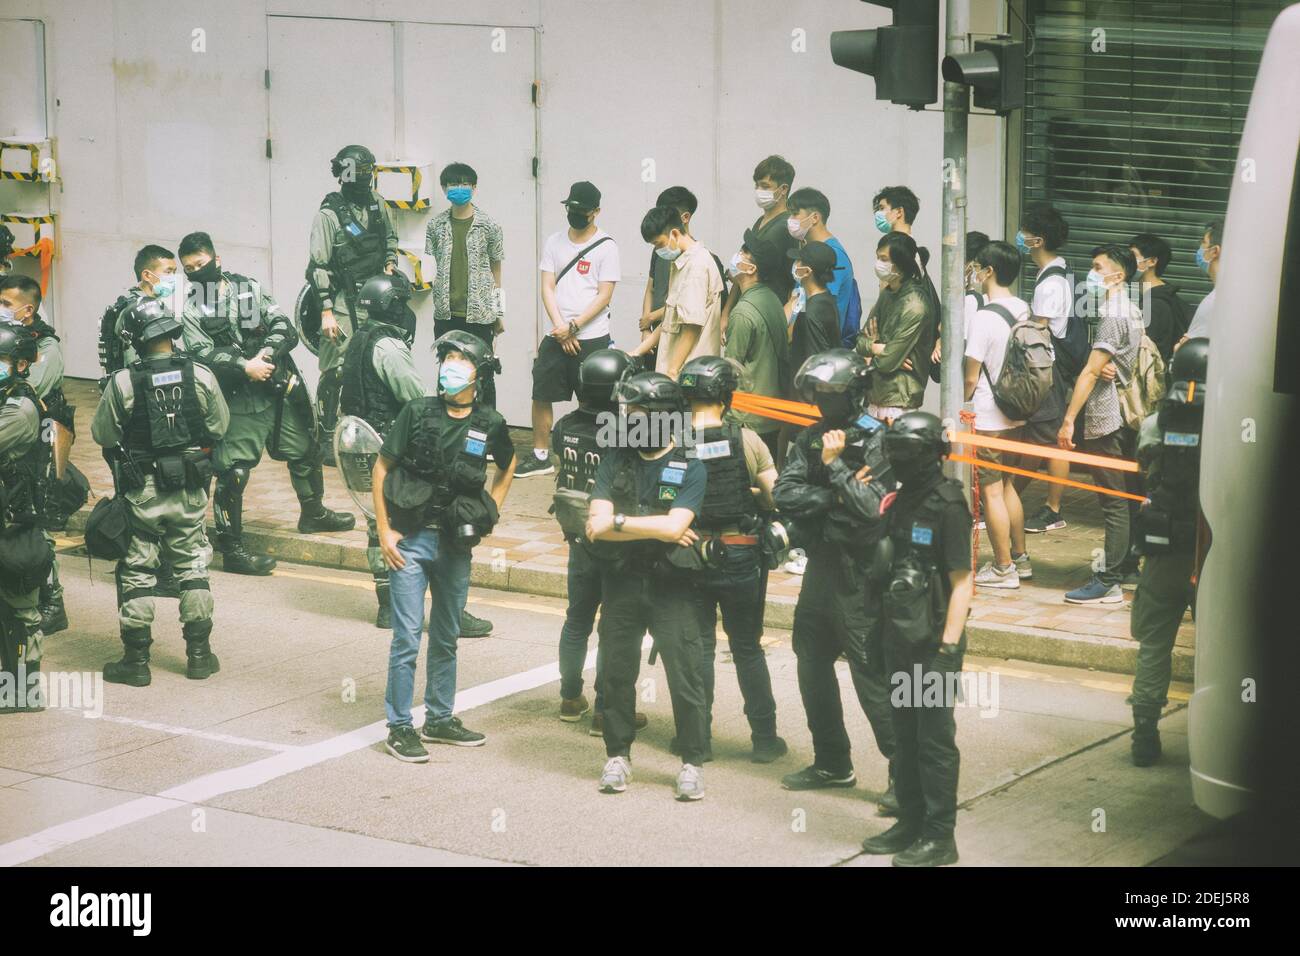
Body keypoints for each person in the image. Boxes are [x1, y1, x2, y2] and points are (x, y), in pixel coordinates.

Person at [374, 331, 515, 763]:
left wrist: (489, 511)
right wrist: (384, 531)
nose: (450, 365)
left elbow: (508, 466)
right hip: (411, 542)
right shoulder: (416, 412)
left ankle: (439, 718)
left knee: (448, 634)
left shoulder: (489, 423)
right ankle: (399, 727)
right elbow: (381, 468)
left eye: (460, 359)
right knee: (406, 638)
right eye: (446, 358)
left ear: (479, 373)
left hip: (456, 544)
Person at [179, 232, 354, 577]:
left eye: (200, 264)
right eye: (189, 269)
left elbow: (283, 326)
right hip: (238, 397)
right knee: (234, 471)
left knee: (305, 448)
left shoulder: (248, 289)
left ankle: (313, 513)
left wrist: (267, 354)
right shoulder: (190, 307)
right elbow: (199, 353)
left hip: (276, 386)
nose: (196, 272)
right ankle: (232, 548)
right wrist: (244, 366)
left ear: (216, 260)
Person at [773, 350, 897, 810]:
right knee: (810, 659)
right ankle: (831, 761)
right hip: (822, 565)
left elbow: (870, 510)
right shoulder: (810, 439)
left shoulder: (879, 441)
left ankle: (903, 774)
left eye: (832, 393)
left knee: (869, 673)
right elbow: (784, 493)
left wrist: (837, 467)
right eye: (818, 393)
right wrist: (835, 490)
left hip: (861, 571)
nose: (823, 401)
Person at [92, 298, 230, 687]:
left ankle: (136, 662)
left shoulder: (123, 381)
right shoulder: (200, 375)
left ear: (136, 339)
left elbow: (103, 435)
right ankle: (199, 657)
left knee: (137, 569)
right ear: (171, 332)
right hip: (188, 486)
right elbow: (218, 428)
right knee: (192, 567)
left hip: (143, 490)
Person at [585, 371, 710, 800]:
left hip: (673, 585)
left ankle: (692, 761)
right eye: (625, 412)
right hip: (621, 581)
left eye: (635, 413)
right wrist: (652, 528)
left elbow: (676, 527)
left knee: (685, 675)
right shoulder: (617, 455)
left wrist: (620, 521)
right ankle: (617, 755)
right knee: (617, 672)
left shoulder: (692, 459)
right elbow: (594, 528)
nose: (626, 419)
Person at [860, 411, 973, 867]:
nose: (899, 461)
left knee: (934, 741)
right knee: (904, 735)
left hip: (933, 644)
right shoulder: (900, 499)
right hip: (899, 635)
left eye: (908, 453)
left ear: (930, 454)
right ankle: (909, 821)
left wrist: (947, 651)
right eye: (896, 452)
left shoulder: (948, 504)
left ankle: (939, 837)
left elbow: (962, 583)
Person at [679, 355, 785, 763]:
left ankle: (697, 742)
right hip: (741, 553)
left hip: (689, 554)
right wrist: (752, 494)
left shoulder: (670, 438)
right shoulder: (747, 439)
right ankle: (764, 740)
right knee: (747, 648)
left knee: (700, 649)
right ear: (727, 395)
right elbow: (775, 495)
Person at [550, 347, 645, 735]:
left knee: (577, 620)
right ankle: (606, 709)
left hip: (578, 539)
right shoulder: (625, 432)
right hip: (618, 540)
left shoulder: (564, 425)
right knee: (615, 628)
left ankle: (570, 696)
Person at [1128, 339, 1207, 766]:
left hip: (1163, 551)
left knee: (1154, 646)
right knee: (1218, 649)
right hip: (1213, 553)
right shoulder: (1231, 423)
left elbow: (1145, 471)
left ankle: (1144, 732)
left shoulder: (1156, 423)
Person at [338, 273, 427, 629]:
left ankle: (386, 603)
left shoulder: (358, 339)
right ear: (392, 307)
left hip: (361, 441)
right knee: (408, 518)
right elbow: (416, 399)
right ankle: (409, 603)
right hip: (391, 442)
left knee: (377, 521)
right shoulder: (389, 347)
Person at [1056, 244, 1143, 604]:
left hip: (1108, 417)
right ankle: (1126, 567)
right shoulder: (1133, 309)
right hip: (1125, 417)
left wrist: (1068, 420)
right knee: (1127, 497)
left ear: (1117, 275)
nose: (1091, 274)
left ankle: (1108, 580)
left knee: (1113, 500)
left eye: (1097, 267)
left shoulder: (1113, 313)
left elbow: (1091, 371)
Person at [519, 181, 621, 479]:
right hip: (557, 333)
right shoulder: (554, 242)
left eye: (581, 210)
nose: (574, 214)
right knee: (542, 392)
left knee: (595, 401)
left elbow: (604, 295)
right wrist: (561, 327)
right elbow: (547, 287)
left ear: (596, 212)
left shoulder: (607, 247)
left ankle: (601, 458)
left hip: (592, 337)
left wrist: (574, 326)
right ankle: (541, 456)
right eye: (570, 208)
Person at [306, 145, 400, 465]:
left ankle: (368, 432)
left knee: (374, 364)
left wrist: (389, 264)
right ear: (344, 175)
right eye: (358, 174)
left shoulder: (379, 205)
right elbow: (318, 266)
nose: (364, 180)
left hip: (375, 300)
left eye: (367, 173)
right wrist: (326, 311)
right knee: (335, 370)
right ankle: (326, 436)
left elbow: (390, 239)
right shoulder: (329, 214)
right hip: (342, 304)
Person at [0, 274, 73, 636]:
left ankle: (51, 601)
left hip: (37, 443)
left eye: (5, 304)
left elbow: (28, 390)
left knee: (35, 522)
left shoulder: (46, 346)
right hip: (15, 441)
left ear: (26, 310)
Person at [963, 240, 1032, 589]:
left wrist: (959, 403)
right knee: (1007, 485)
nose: (973, 273)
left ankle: (1003, 568)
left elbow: (971, 375)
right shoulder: (1023, 308)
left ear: (988, 271)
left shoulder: (983, 317)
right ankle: (1020, 557)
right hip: (1018, 410)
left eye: (977, 267)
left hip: (990, 416)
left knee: (990, 491)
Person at [1014, 204, 1081, 534]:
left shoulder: (1050, 284)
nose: (1020, 237)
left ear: (1037, 240)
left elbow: (1038, 333)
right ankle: (1013, 497)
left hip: (1048, 368)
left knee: (1049, 440)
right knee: (1042, 437)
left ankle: (1051, 508)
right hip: (1055, 367)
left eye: (1024, 233)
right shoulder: (1062, 271)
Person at [425, 162, 505, 409]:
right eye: (452, 184)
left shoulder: (490, 226)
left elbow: (497, 271)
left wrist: (499, 312)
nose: (458, 188)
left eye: (464, 184)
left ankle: (486, 433)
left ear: (474, 188)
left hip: (480, 316)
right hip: (446, 315)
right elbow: (430, 266)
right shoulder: (435, 226)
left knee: (483, 376)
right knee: (448, 375)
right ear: (443, 188)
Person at [0, 325, 47, 714]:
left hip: (16, 521)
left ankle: (24, 690)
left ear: (19, 365)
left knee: (20, 608)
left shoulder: (20, 408)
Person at [638, 186, 728, 369]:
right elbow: (669, 319)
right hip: (672, 359)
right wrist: (638, 350)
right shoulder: (678, 259)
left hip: (687, 368)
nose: (657, 249)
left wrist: (672, 371)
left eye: (658, 243)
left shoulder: (697, 266)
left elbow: (691, 327)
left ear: (675, 231)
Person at [722, 231, 789, 460]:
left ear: (751, 269)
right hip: (769, 413)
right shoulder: (771, 299)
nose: (737, 255)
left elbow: (731, 370)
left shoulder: (742, 312)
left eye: (743, 253)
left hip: (747, 419)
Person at [858, 232, 935, 423]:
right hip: (874, 396)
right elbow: (860, 341)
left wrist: (879, 353)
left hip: (898, 401)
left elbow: (886, 363)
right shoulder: (888, 293)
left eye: (884, 259)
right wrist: (878, 348)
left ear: (900, 263)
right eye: (878, 257)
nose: (878, 263)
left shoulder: (915, 306)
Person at [721, 155, 798, 332]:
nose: (758, 191)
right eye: (757, 185)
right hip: (747, 308)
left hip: (766, 315)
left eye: (765, 186)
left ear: (783, 189)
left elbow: (751, 275)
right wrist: (726, 313)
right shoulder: (761, 221)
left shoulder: (784, 227)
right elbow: (742, 272)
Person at [786, 187, 859, 347]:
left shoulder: (834, 256)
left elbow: (820, 310)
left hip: (818, 348)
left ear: (815, 217)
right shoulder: (808, 251)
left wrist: (787, 336)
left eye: (795, 213)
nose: (790, 219)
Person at [98, 245, 178, 387]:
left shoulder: (153, 305)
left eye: (175, 272)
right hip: (139, 387)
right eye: (168, 272)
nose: (173, 278)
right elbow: (132, 362)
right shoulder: (134, 310)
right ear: (147, 275)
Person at [786, 241, 842, 392]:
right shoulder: (826, 299)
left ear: (806, 271)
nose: (795, 264)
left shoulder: (813, 312)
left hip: (808, 400)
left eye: (799, 261)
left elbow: (816, 365)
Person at [1129, 233, 1192, 363]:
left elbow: (1146, 354)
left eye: (1132, 256)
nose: (1127, 262)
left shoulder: (1154, 304)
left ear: (1152, 261)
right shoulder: (1164, 295)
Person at [1182, 220, 1222, 342]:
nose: (1199, 249)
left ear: (1214, 251)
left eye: (1203, 243)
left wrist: (1181, 345)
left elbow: (1189, 348)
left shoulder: (1216, 301)